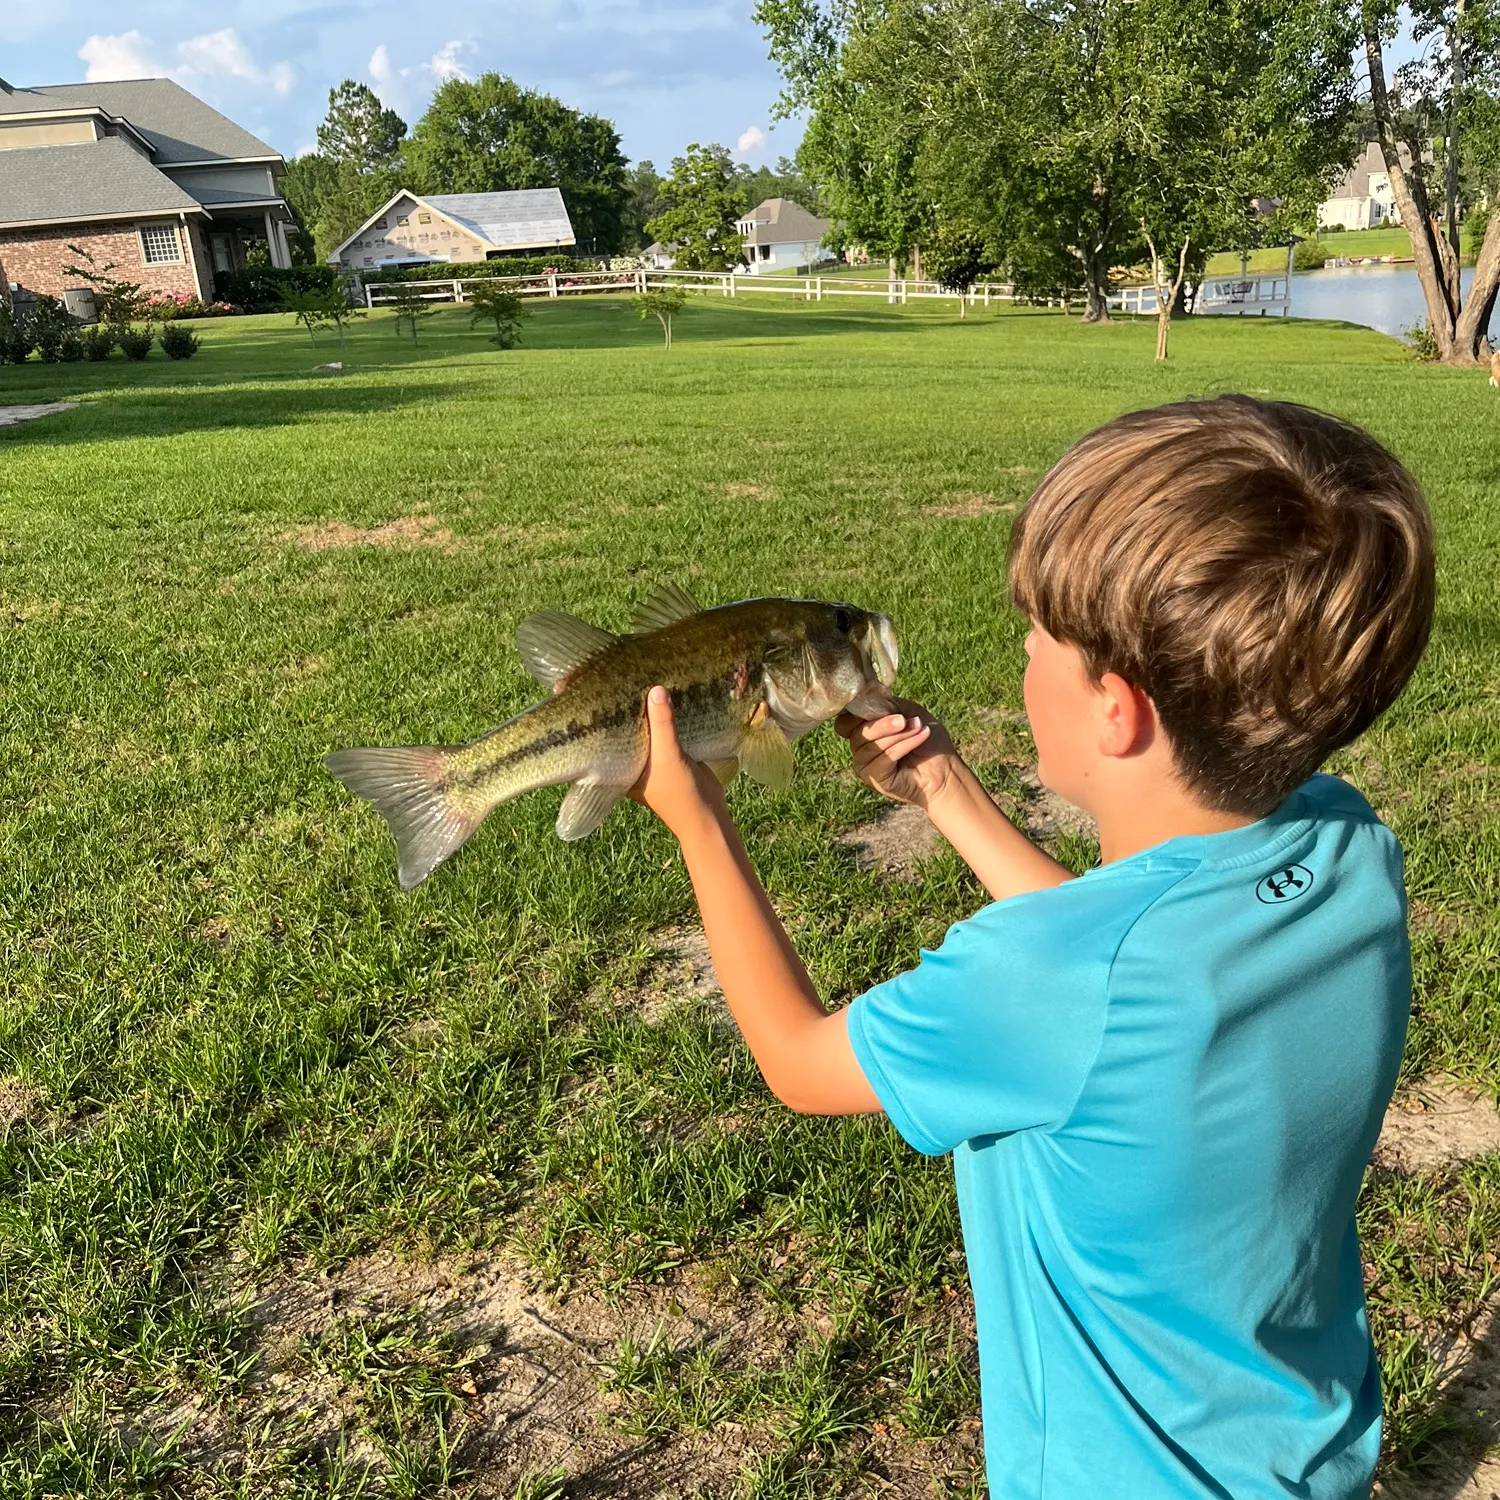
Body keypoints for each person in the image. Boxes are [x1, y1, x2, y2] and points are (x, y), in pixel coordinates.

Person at [628, 395, 1436, 1499]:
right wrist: (946, 794)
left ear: (1117, 709)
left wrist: (700, 822)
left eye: (1041, 638)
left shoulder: (1050, 981)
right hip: (1297, 1444)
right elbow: (1122, 963)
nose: (1022, 648)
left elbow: (797, 1061)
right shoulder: (1346, 847)